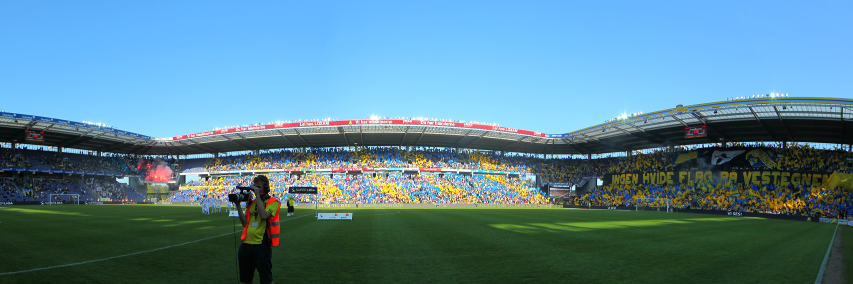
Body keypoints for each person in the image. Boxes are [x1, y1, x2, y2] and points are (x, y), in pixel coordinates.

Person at [235, 175, 281, 284]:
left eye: (259, 187)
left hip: (262, 245)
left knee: (266, 280)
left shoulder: (274, 202)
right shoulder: (252, 203)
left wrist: (258, 197)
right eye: (254, 187)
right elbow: (244, 223)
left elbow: (264, 215)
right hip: (246, 244)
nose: (256, 190)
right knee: (247, 279)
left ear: (266, 188)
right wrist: (238, 205)